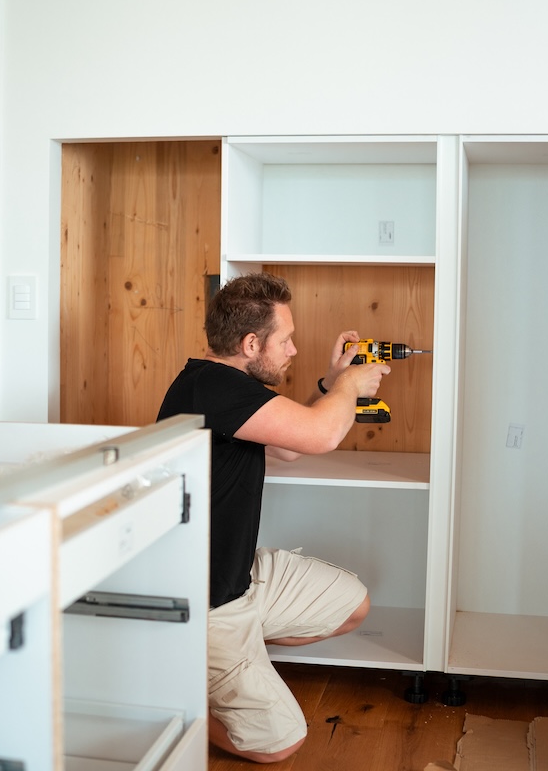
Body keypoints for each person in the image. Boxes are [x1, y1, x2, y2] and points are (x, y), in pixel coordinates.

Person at [157, 271, 390, 763]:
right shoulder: (213, 389)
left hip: (238, 575)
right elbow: (322, 435)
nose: (293, 350)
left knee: (354, 607)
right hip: (209, 603)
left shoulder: (225, 386)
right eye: (284, 340)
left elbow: (288, 446)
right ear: (249, 343)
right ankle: (176, 705)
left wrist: (328, 385)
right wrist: (349, 386)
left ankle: (230, 666)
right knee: (279, 745)